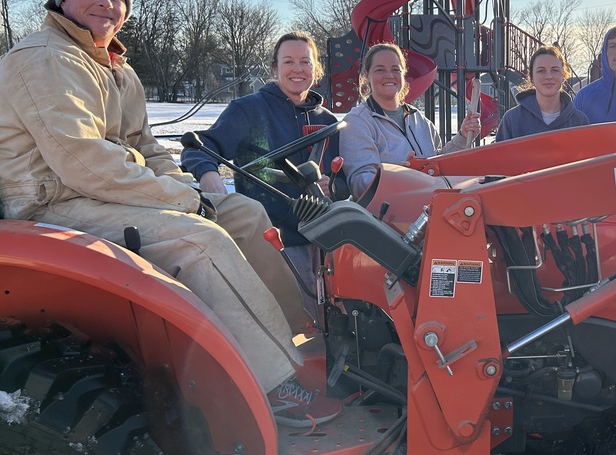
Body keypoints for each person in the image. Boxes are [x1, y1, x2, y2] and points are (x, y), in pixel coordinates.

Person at [0, 0, 337, 428]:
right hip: (55, 202)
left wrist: (191, 190)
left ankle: (296, 335)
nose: (106, 4)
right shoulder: (46, 57)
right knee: (201, 240)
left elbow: (150, 148)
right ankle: (272, 383)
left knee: (242, 212)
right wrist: (185, 202)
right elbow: (81, 160)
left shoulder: (116, 69)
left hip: (102, 192)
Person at [180, 31, 340, 322]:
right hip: (277, 242)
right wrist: (208, 174)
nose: (297, 69)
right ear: (275, 68)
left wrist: (333, 185)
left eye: (305, 62)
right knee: (293, 321)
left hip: (326, 242)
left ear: (316, 70)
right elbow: (199, 149)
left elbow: (343, 178)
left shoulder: (327, 121)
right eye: (288, 61)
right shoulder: (249, 110)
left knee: (336, 321)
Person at [339, 42, 480, 199]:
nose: (389, 75)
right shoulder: (357, 122)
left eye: (395, 69)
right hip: (389, 218)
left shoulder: (418, 118)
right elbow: (359, 183)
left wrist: (462, 136)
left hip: (433, 208)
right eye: (380, 70)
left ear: (403, 74)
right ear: (366, 75)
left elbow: (438, 164)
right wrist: (393, 177)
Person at [495, 45, 589, 141]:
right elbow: (498, 155)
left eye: (555, 70)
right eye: (541, 70)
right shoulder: (512, 120)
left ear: (563, 76)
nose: (548, 76)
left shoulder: (579, 122)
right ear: (531, 77)